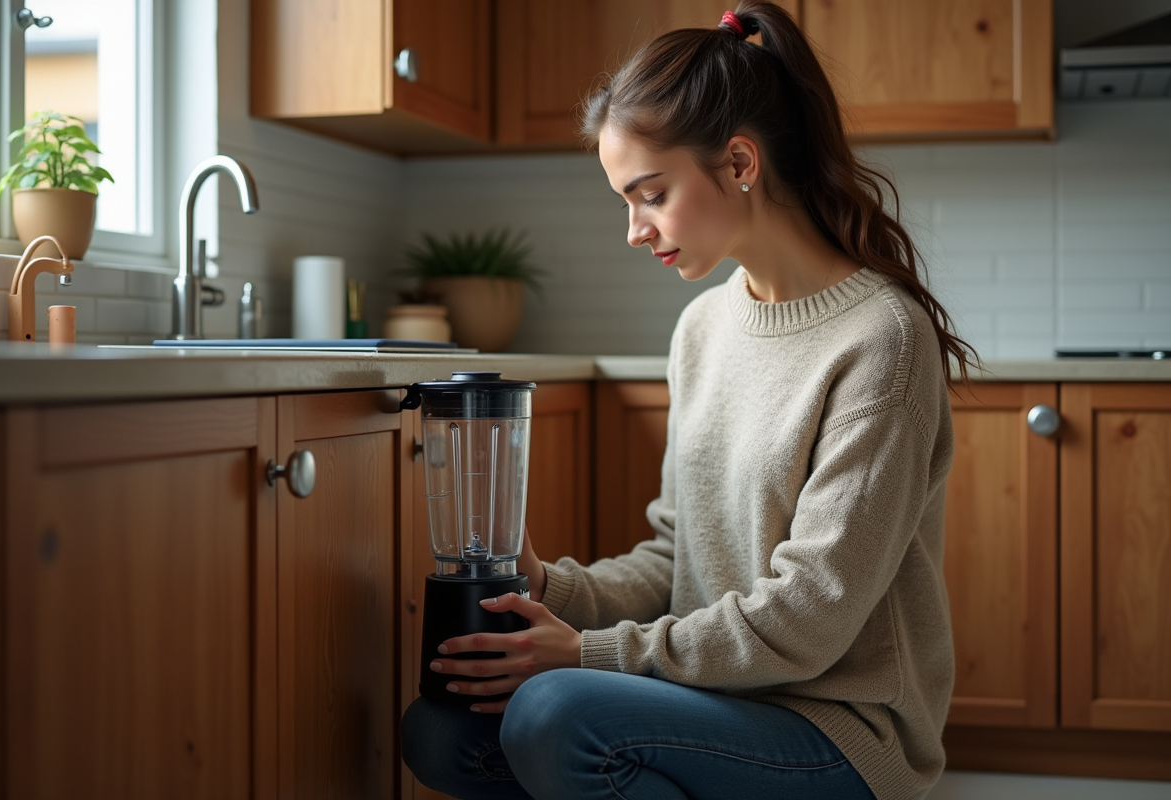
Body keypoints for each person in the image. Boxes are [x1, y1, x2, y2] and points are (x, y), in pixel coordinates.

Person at [401, 3, 978, 798]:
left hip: (837, 729)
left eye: (650, 193)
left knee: (555, 715)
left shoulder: (883, 339)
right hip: (714, 698)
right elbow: (679, 560)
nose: (635, 229)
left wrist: (585, 655)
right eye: (625, 200)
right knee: (444, 728)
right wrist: (547, 588)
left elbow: (809, 620)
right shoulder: (703, 327)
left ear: (739, 163)